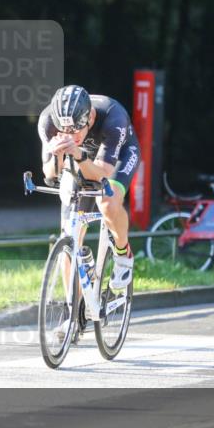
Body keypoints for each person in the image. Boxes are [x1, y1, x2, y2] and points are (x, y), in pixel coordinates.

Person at [37, 84, 140, 290]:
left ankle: (123, 254)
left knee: (107, 202)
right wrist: (57, 155)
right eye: (64, 130)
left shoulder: (113, 117)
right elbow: (50, 173)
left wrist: (78, 154)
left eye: (76, 129)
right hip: (81, 157)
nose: (70, 135)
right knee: (69, 237)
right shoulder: (48, 121)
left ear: (90, 118)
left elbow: (103, 174)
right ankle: (73, 307)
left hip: (119, 156)